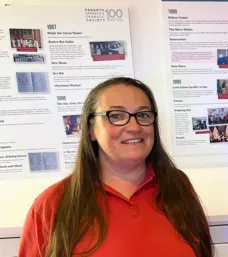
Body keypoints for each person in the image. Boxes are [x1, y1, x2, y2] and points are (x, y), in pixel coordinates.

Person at [18, 77, 213, 257]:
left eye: (143, 115)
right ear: (91, 129)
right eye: (116, 116)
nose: (134, 127)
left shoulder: (178, 186)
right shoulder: (53, 203)